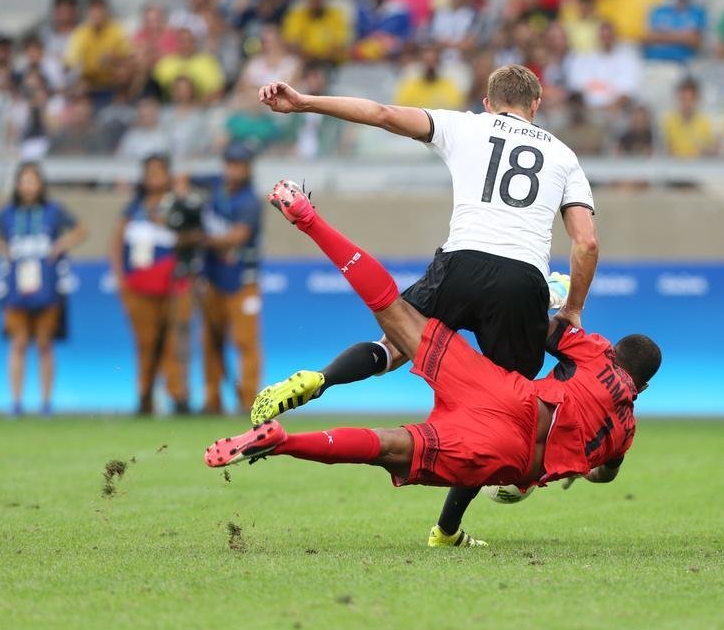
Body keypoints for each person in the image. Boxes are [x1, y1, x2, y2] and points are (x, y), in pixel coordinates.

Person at [251, 64, 599, 547]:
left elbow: (381, 113)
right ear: (536, 106)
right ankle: (446, 531)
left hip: (461, 264)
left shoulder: (465, 126)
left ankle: (320, 378)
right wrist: (573, 311)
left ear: (487, 101)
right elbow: (586, 244)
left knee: (393, 346)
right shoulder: (563, 156)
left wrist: (304, 101)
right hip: (522, 282)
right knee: (500, 415)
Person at [204, 181, 661, 546]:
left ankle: (310, 222)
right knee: (390, 446)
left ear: (617, 352)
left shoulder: (597, 351)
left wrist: (556, 299)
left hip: (506, 391)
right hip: (509, 450)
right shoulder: (626, 431)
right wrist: (574, 468)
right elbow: (605, 473)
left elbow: (548, 331)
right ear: (640, 389)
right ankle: (283, 443)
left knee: (393, 315)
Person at [0, 162, 86, 416]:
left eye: (33, 180)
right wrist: (2, 248)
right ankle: (16, 402)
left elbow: (81, 229)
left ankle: (46, 402)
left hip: (47, 286)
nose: (28, 185)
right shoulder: (7, 213)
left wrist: (60, 246)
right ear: (18, 184)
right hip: (15, 287)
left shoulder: (53, 211)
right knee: (17, 343)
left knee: (44, 344)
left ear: (41, 184)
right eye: (24, 180)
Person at [111, 154, 191, 415]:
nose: (154, 177)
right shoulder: (133, 208)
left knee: (173, 342)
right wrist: (121, 279)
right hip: (139, 285)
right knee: (145, 343)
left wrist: (168, 219)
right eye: (149, 172)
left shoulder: (178, 205)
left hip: (172, 284)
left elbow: (191, 237)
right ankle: (145, 396)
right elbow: (117, 243)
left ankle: (178, 396)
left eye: (159, 172)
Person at [200, 144, 263, 413]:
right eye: (229, 164)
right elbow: (181, 179)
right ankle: (212, 399)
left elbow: (238, 236)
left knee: (245, 342)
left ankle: (248, 401)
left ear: (248, 169)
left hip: (243, 280)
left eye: (239, 165)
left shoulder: (250, 200)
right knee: (210, 341)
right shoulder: (216, 190)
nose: (233, 170)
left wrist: (200, 239)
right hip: (214, 277)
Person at [660, 77, 716, 158]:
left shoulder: (705, 122)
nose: (687, 103)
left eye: (691, 99)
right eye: (683, 99)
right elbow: (665, 150)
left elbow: (710, 149)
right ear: (678, 97)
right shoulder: (667, 121)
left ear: (697, 99)